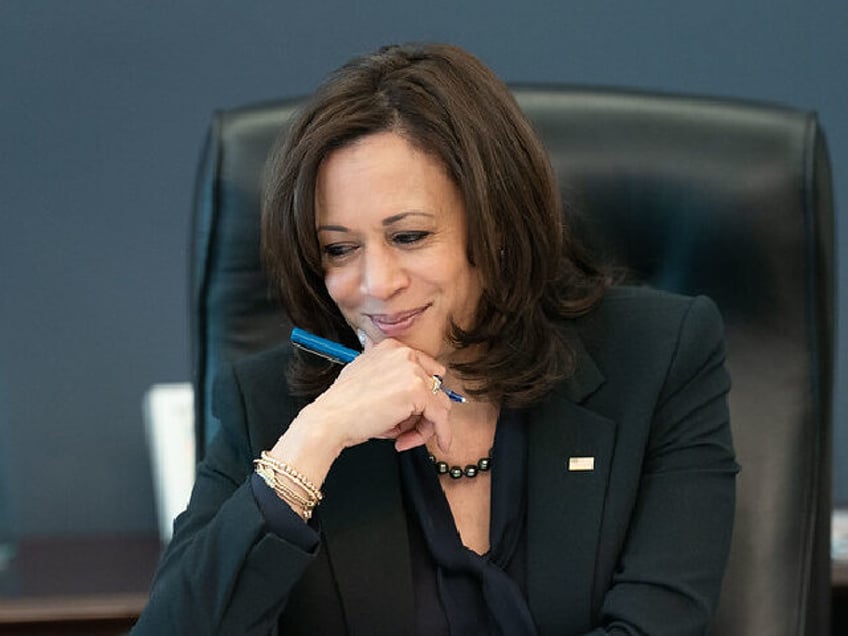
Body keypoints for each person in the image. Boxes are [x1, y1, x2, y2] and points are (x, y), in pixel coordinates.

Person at [134, 43, 738, 635]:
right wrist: (315, 440)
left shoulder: (660, 355)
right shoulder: (269, 405)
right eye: (339, 249)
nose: (375, 284)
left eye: (410, 236)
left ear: (497, 224)